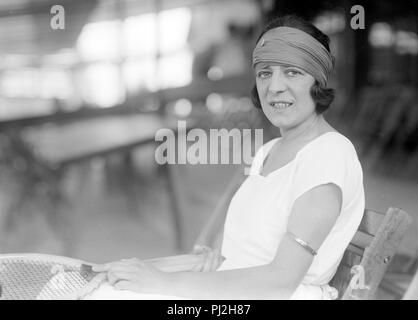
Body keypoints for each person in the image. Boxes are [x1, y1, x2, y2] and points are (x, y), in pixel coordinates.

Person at [87, 15, 365, 300]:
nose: (274, 86)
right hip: (236, 288)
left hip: (278, 294)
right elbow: (246, 252)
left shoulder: (329, 154)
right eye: (265, 73)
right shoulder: (267, 151)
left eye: (292, 72)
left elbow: (281, 281)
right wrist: (214, 261)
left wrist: (165, 283)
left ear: (317, 80)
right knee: (108, 289)